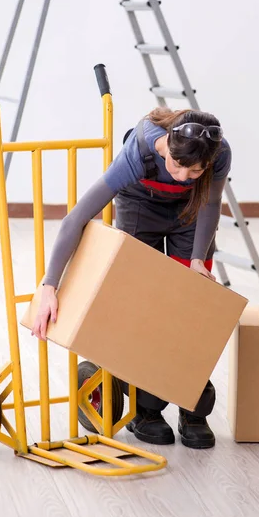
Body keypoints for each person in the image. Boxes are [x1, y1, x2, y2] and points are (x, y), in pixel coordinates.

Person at [31, 107, 232, 449]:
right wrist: (49, 284)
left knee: (192, 304)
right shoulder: (139, 151)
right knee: (143, 303)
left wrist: (198, 259)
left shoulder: (219, 153)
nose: (184, 176)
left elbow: (210, 203)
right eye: (177, 165)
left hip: (191, 213)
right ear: (166, 145)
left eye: (194, 170)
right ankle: (146, 410)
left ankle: (192, 405)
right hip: (141, 207)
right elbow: (76, 218)